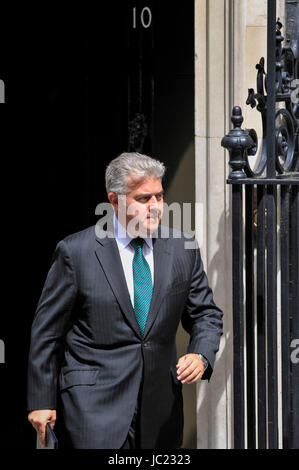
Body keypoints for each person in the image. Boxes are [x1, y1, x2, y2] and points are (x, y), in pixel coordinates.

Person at [27, 152, 223, 449]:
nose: (156, 207)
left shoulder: (183, 249)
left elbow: (206, 314)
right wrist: (41, 400)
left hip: (160, 411)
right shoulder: (76, 253)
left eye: (159, 196)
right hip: (93, 409)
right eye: (144, 199)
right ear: (115, 200)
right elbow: (47, 332)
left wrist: (201, 354)